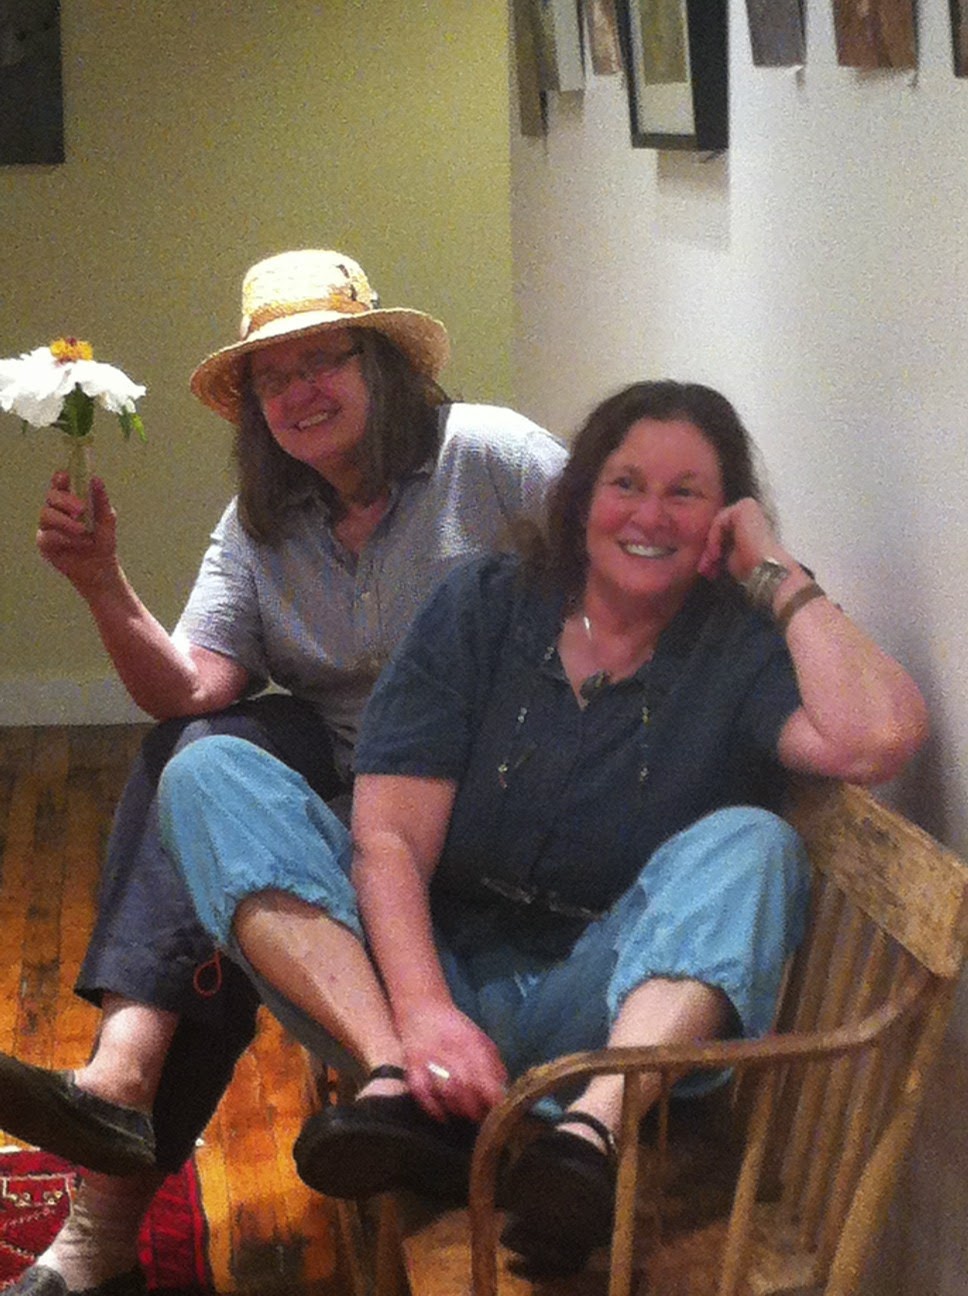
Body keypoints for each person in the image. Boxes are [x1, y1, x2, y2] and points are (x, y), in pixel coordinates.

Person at [156, 380, 928, 1276]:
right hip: (424, 970)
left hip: (613, 1007)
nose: (651, 515)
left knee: (758, 842)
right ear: (580, 496)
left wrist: (779, 574)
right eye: (626, 484)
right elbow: (391, 839)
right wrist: (426, 1018)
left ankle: (585, 1145)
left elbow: (879, 738)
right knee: (208, 774)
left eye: (687, 493)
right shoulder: (483, 605)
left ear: (724, 521)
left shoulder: (739, 647)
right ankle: (400, 1088)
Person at [0, 247, 566, 1296]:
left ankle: (107, 1178)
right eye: (272, 376)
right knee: (194, 758)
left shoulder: (491, 456)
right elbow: (189, 687)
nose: (299, 391)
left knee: (202, 830)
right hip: (355, 802)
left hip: (486, 809)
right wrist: (101, 583)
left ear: (379, 367)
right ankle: (118, 1090)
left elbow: (624, 551)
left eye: (322, 361)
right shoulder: (263, 524)